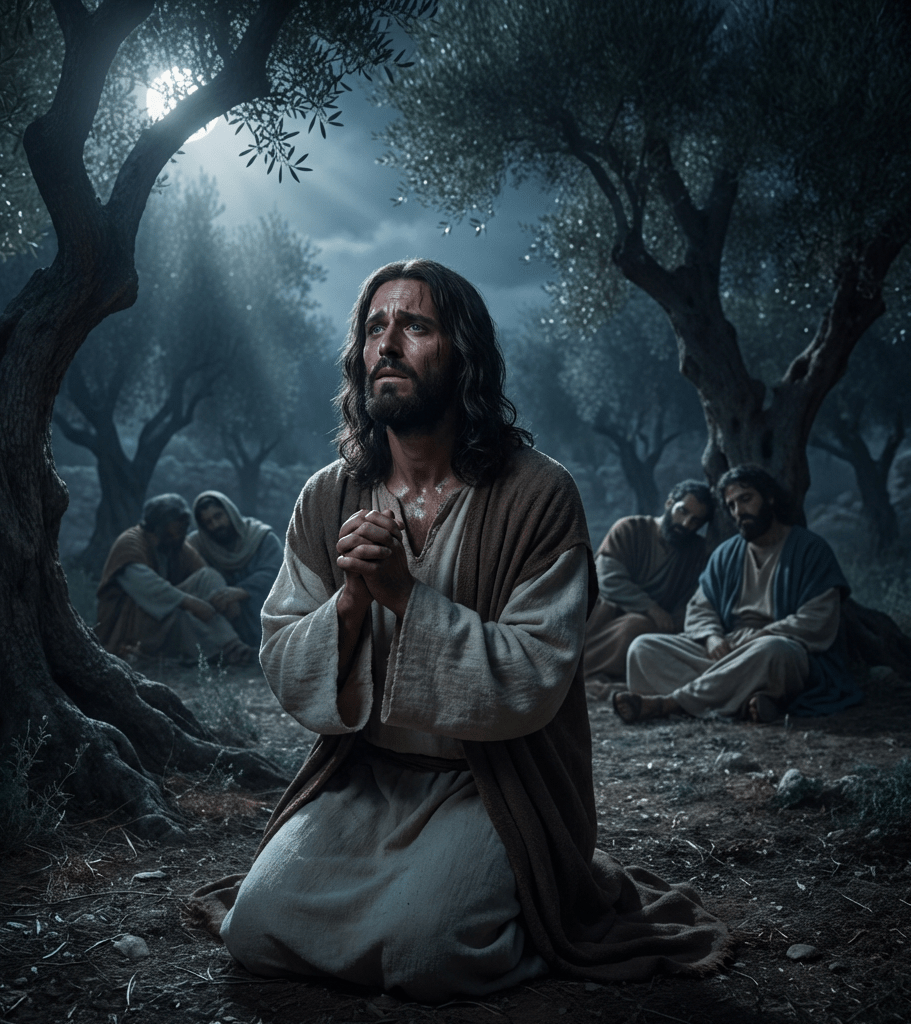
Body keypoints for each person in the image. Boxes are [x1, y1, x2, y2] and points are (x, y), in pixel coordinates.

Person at [191, 259, 728, 1000]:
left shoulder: (537, 495)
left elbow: (535, 673)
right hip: (369, 780)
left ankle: (538, 909)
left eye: (415, 325)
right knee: (254, 930)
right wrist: (351, 601)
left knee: (427, 957)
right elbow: (283, 652)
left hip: (493, 786)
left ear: (463, 352)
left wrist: (407, 596)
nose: (388, 344)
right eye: (375, 327)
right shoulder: (328, 495)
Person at [617, 465, 861, 724]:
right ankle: (743, 699)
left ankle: (670, 703)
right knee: (642, 648)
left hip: (777, 646)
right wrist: (712, 637)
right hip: (728, 648)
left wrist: (764, 634)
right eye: (731, 505)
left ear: (769, 498)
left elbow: (819, 617)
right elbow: (701, 607)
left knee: (772, 652)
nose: (738, 511)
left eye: (746, 499)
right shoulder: (726, 554)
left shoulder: (810, 550)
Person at [95, 493, 255, 664]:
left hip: (159, 613)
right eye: (173, 532)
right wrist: (190, 602)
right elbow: (149, 588)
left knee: (208, 577)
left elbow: (203, 572)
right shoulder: (129, 545)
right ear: (157, 529)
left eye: (181, 531)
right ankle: (229, 651)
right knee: (180, 614)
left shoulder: (175, 545)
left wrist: (225, 599)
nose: (179, 537)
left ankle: (235, 642)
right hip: (131, 622)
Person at [583, 480, 713, 687]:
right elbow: (607, 577)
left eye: (696, 521)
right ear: (669, 503)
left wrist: (673, 624)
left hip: (651, 626)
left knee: (640, 629)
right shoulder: (630, 528)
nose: (686, 523)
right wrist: (650, 607)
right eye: (683, 512)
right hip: (604, 614)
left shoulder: (696, 552)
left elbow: (690, 599)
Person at [187, 491, 283, 649]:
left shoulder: (261, 536)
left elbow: (275, 573)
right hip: (224, 609)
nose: (215, 525)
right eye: (208, 522)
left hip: (260, 603)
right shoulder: (198, 544)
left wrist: (241, 591)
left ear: (229, 512)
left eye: (218, 516)